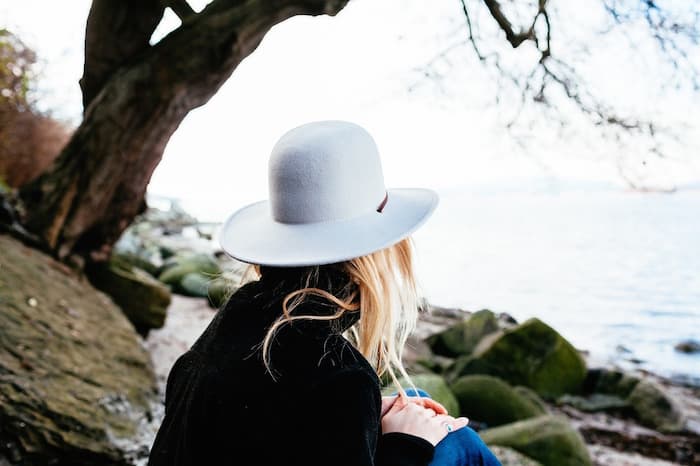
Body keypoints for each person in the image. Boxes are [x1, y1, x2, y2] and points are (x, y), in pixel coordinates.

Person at [147, 120, 501, 465]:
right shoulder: (339, 375)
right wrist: (405, 444)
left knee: (416, 403)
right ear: (376, 257)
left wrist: (365, 413)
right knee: (459, 443)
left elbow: (263, 416)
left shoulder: (234, 323)